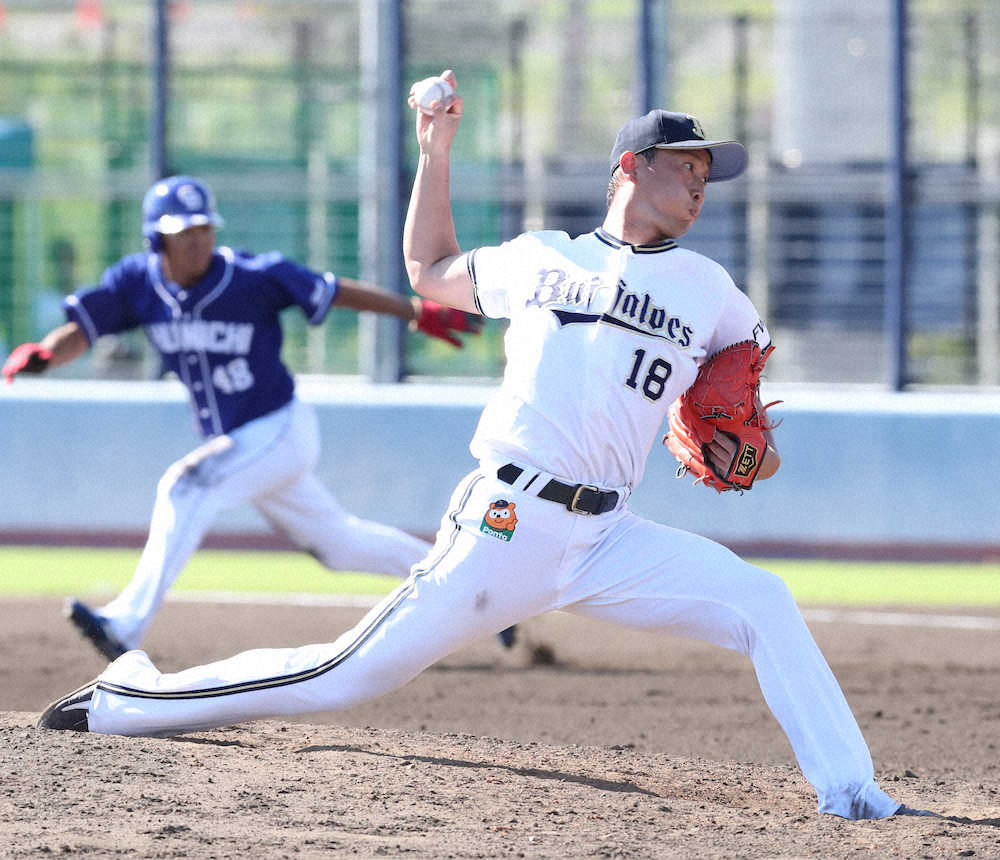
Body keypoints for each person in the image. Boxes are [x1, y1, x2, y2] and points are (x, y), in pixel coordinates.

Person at [35, 77, 933, 820]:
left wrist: (747, 451)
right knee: (347, 674)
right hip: (506, 521)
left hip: (612, 538)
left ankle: (852, 792)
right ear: (632, 167)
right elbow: (428, 271)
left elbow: (750, 427)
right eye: (687, 164)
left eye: (710, 171)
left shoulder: (714, 292)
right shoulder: (544, 257)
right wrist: (435, 146)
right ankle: (128, 696)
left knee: (762, 600)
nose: (702, 182)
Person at [3, 174, 492, 660]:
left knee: (185, 485)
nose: (198, 241)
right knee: (340, 546)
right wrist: (45, 355)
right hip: (242, 444)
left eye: (204, 229)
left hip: (278, 428)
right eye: (184, 232)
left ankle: (125, 624)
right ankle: (470, 586)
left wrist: (413, 310)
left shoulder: (251, 275)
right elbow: (84, 328)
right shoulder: (137, 283)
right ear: (158, 239)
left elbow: (332, 291)